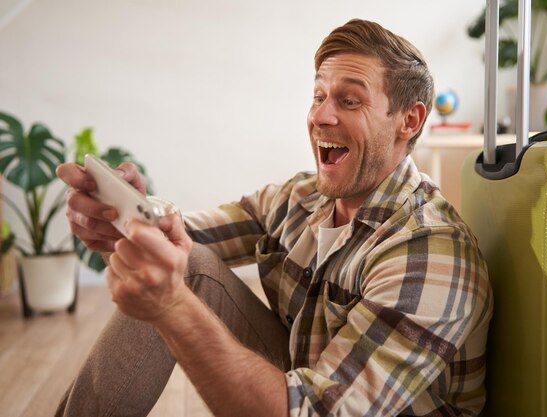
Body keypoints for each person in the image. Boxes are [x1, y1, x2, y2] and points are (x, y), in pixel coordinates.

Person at [55, 19, 492, 417]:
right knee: (186, 262)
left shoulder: (429, 251)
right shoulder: (298, 199)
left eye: (349, 100)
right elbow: (179, 235)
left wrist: (172, 307)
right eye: (319, 95)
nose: (320, 115)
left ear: (408, 121)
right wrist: (119, 213)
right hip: (308, 388)